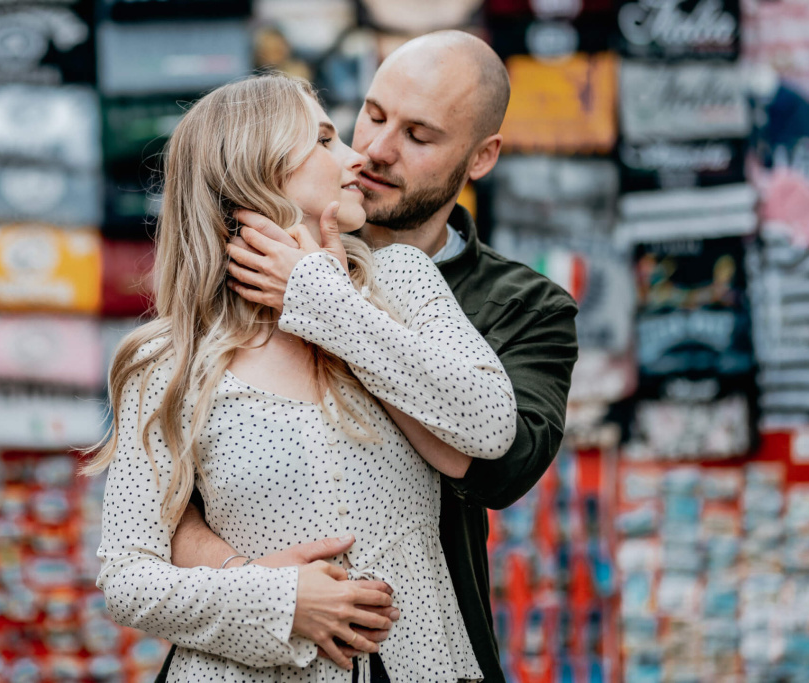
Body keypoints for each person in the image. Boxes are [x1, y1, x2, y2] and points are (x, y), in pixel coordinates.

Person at [163, 31, 579, 683]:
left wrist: (325, 303)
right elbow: (162, 502)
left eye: (419, 136)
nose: (376, 151)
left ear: (481, 157)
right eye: (374, 115)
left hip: (422, 648)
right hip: (250, 654)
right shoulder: (247, 265)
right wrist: (268, 591)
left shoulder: (525, 305)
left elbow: (499, 469)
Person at [89, 72, 520, 682]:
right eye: (324, 140)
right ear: (255, 170)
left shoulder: (402, 281)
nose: (356, 157)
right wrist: (282, 603)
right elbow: (128, 579)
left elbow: (489, 425)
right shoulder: (168, 361)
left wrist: (321, 299)